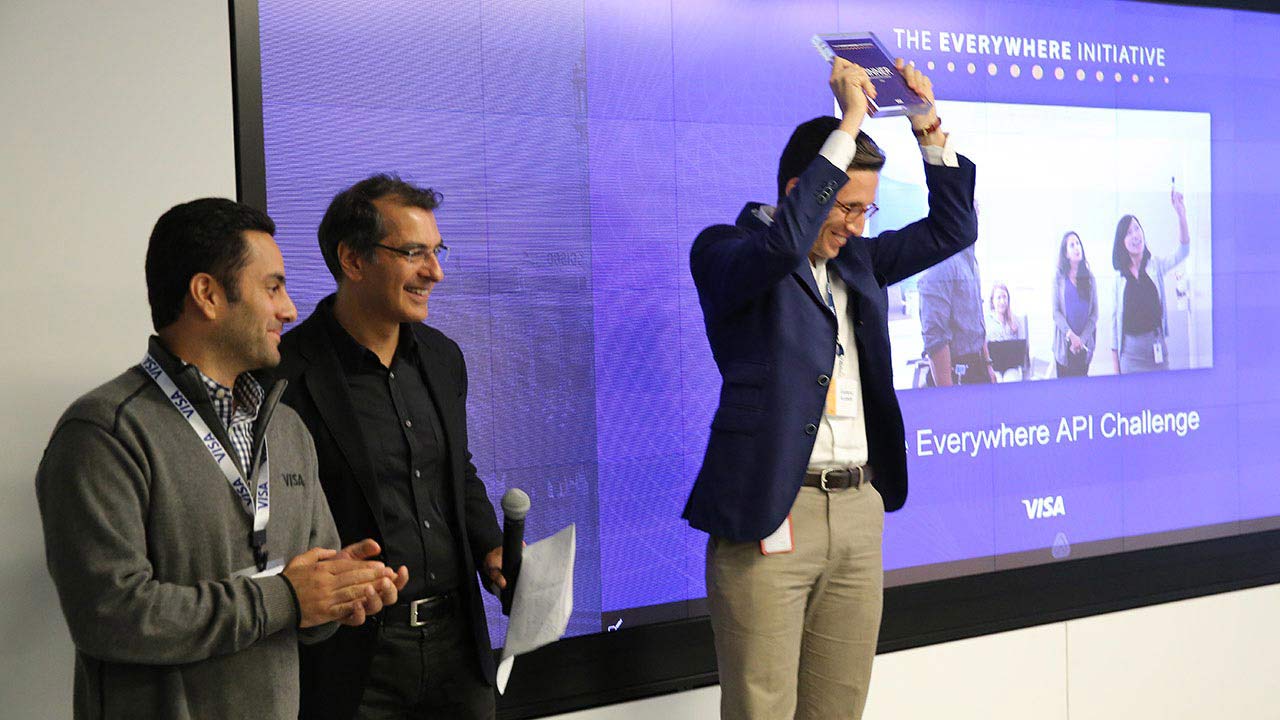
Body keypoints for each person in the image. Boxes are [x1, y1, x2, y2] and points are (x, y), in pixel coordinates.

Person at [684, 57, 978, 719]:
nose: (856, 225)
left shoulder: (858, 259)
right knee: (762, 708)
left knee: (839, 708)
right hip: (772, 513)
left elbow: (954, 228)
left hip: (857, 510)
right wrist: (849, 121)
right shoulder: (726, 251)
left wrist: (925, 122)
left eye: (866, 209)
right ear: (801, 189)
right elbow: (781, 247)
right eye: (845, 207)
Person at [34, 198, 403, 720]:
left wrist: (339, 593)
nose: (289, 309)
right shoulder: (104, 432)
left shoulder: (287, 429)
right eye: (272, 287)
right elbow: (109, 615)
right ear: (207, 295)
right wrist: (286, 598)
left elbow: (304, 605)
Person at [277, 174, 507, 720]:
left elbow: (456, 471)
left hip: (458, 651)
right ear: (353, 260)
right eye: (413, 253)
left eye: (436, 251)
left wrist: (491, 548)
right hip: (356, 660)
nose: (435, 272)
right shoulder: (284, 374)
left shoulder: (443, 357)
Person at [1110, 189, 1190, 373]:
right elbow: (1114, 325)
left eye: (1137, 229)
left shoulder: (1155, 266)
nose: (1135, 235)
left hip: (1157, 349)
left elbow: (1183, 251)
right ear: (1122, 242)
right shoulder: (1118, 279)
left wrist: (1181, 215)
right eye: (1128, 233)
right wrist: (1116, 369)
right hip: (1130, 356)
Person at [918, 244, 997, 385]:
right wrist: (949, 394)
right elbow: (935, 336)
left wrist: (987, 363)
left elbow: (977, 317)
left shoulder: (970, 259)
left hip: (978, 367)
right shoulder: (941, 262)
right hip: (955, 373)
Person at [1052, 231, 1098, 377]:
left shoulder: (1089, 277)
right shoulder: (1059, 277)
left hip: (1084, 345)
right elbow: (1056, 312)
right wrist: (1071, 336)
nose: (1077, 247)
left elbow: (1094, 314)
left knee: (1083, 387)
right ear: (1066, 253)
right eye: (1072, 245)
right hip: (1064, 346)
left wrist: (1081, 340)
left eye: (1078, 243)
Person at [984, 282, 1027, 382]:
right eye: (999, 298)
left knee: (1010, 379)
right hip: (994, 367)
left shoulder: (1016, 321)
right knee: (997, 380)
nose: (1002, 301)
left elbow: (1022, 349)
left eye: (1004, 297)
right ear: (992, 301)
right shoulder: (986, 321)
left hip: (1012, 368)